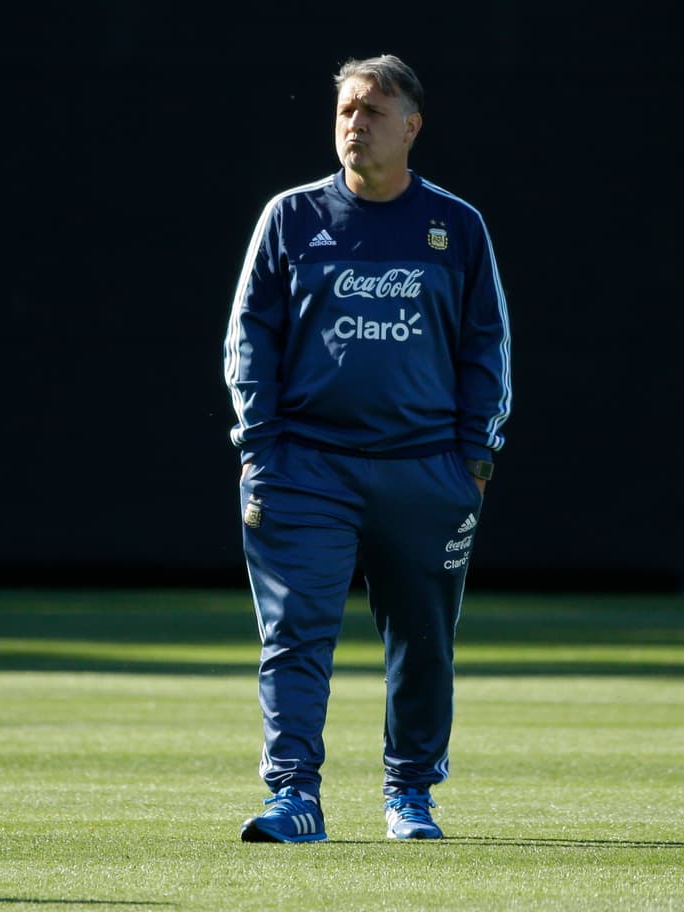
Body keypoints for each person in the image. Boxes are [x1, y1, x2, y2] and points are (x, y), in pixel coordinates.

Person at [223, 54, 512, 842]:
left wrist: (474, 462)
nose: (355, 122)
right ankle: (293, 797)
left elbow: (486, 346)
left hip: (425, 471)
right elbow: (248, 338)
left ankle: (410, 795)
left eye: (374, 112)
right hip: (306, 468)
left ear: (411, 127)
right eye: (347, 109)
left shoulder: (456, 225)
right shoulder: (291, 218)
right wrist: (262, 449)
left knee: (422, 642)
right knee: (295, 636)